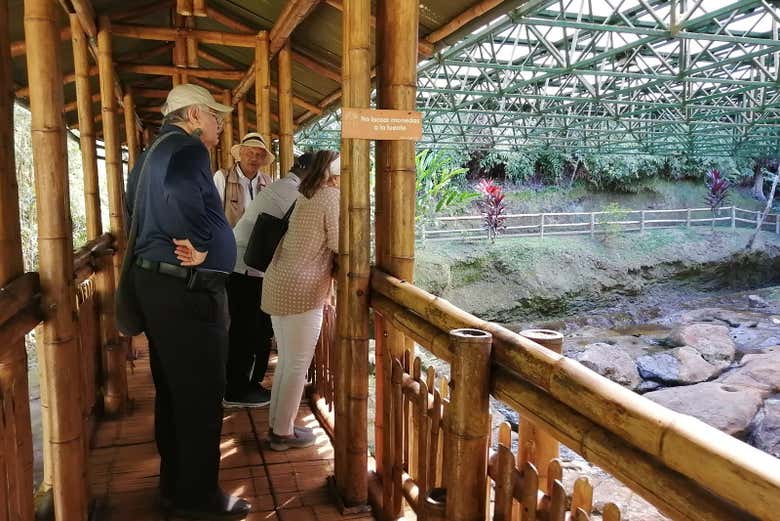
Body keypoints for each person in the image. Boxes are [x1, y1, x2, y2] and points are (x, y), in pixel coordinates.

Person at [125, 83, 251, 520]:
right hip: (187, 289)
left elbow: (131, 206)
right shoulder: (189, 150)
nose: (219, 125)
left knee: (174, 392)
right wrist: (199, 244)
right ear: (195, 115)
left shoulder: (148, 154)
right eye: (215, 116)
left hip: (158, 287)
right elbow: (180, 192)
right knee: (200, 396)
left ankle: (174, 487)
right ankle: (198, 500)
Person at [261, 150, 340, 451]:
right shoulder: (330, 197)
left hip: (279, 281)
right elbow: (338, 242)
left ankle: (277, 425)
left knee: (287, 362)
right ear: (335, 174)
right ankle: (282, 434)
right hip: (302, 289)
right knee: (296, 364)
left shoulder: (306, 194)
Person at [224, 152, 315, 407]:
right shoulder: (293, 193)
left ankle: (240, 386)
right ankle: (238, 390)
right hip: (247, 270)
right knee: (249, 332)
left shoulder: (283, 187)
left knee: (248, 331)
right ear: (309, 172)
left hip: (243, 267)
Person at [213, 132, 274, 227]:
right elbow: (213, 214)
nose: (254, 158)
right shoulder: (222, 177)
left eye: (259, 155)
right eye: (249, 152)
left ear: (263, 159)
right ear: (240, 153)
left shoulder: (267, 181)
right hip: (231, 240)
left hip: (258, 239)